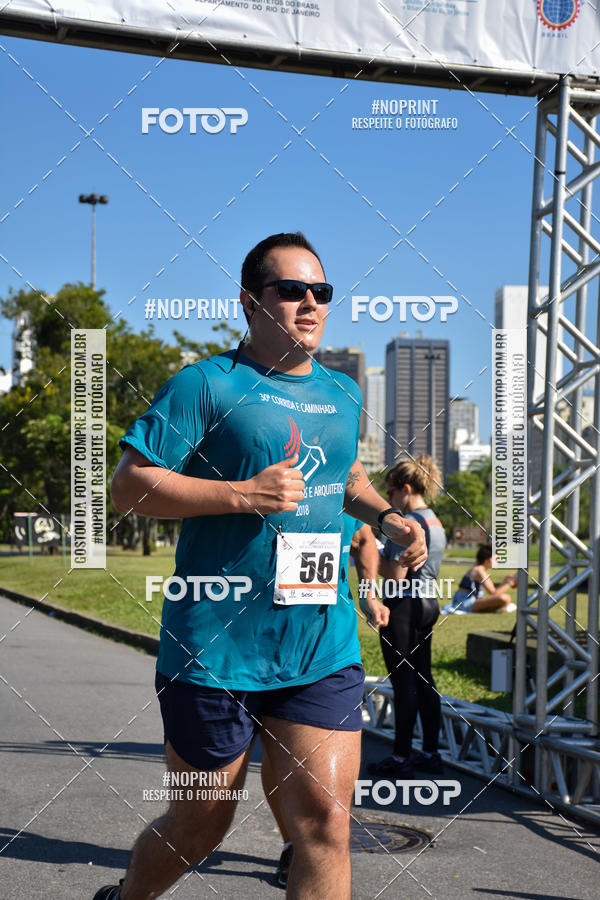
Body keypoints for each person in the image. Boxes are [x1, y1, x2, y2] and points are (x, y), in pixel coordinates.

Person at [95, 232, 427, 900]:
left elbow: (347, 477)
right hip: (215, 649)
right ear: (249, 302)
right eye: (291, 290)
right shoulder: (206, 385)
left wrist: (384, 517)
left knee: (326, 829)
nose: (310, 303)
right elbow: (127, 486)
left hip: (318, 643)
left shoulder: (341, 393)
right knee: (198, 831)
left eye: (322, 292)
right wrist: (241, 495)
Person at [263, 515, 389, 888]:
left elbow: (365, 537)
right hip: (246, 646)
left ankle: (296, 847)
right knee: (201, 819)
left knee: (329, 815)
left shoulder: (338, 482)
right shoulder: (258, 468)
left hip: (323, 652)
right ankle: (291, 839)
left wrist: (368, 591)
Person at [368, 455, 447, 778]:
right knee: (425, 680)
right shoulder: (435, 520)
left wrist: (369, 548)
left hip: (403, 605)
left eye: (390, 493)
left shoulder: (404, 522)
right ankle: (430, 752)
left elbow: (395, 573)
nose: (388, 501)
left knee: (404, 684)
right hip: (429, 601)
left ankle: (400, 758)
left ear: (405, 489)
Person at [443, 544, 516, 614]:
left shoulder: (478, 569)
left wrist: (506, 580)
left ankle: (493, 609)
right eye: (496, 559)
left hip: (465, 601)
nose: (498, 561)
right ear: (487, 559)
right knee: (504, 598)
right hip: (465, 603)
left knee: (505, 598)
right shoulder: (479, 571)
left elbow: (494, 592)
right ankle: (493, 609)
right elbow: (494, 593)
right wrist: (510, 582)